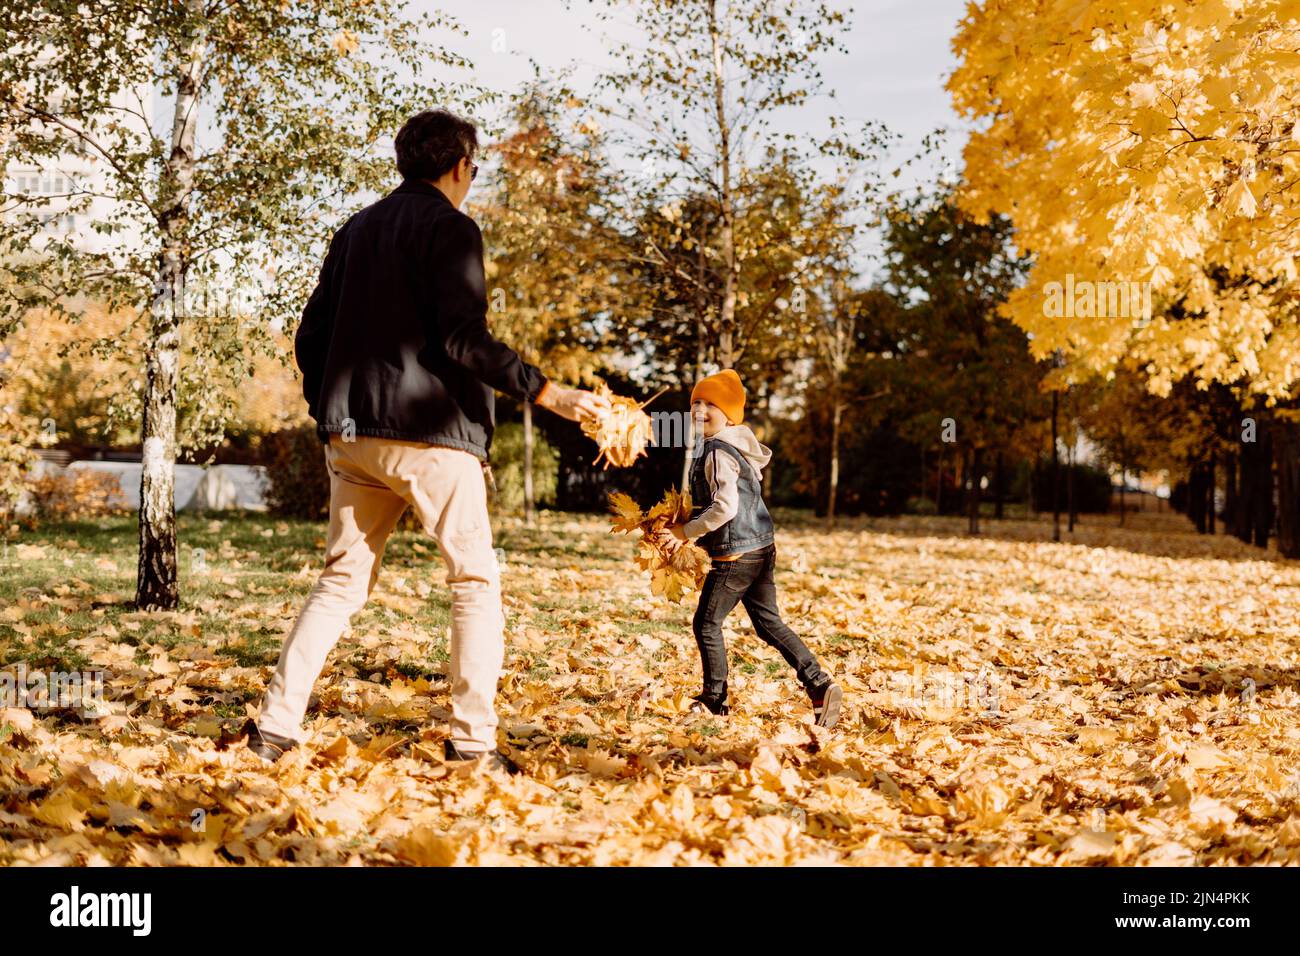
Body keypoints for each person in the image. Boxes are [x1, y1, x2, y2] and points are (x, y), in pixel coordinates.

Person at [247, 109, 609, 774]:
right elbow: (463, 338)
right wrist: (550, 394)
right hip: (430, 437)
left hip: (351, 436)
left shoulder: (356, 229)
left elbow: (310, 335)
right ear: (460, 165)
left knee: (339, 584)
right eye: (474, 166)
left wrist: (330, 412)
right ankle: (473, 744)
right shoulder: (453, 228)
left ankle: (274, 729)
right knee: (473, 581)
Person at [668, 369, 842, 727]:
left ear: (729, 413)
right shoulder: (735, 446)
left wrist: (686, 532)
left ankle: (714, 701)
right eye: (695, 403)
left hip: (736, 556)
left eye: (710, 404)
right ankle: (820, 685)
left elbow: (725, 508)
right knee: (767, 623)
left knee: (706, 623)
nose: (699, 410)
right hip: (761, 548)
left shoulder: (717, 451)